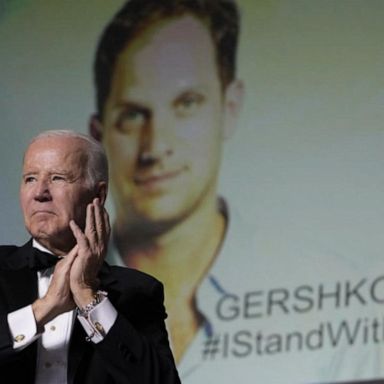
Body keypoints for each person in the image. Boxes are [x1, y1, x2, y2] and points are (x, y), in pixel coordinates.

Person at [89, 1, 384, 383]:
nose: (156, 146)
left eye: (186, 104)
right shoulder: (51, 300)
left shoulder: (339, 311)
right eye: (132, 114)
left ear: (230, 108)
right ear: (99, 134)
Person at [0, 130, 181, 384]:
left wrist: (89, 297)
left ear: (99, 195)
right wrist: (44, 308)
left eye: (57, 178)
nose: (39, 192)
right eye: (30, 178)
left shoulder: (138, 291)